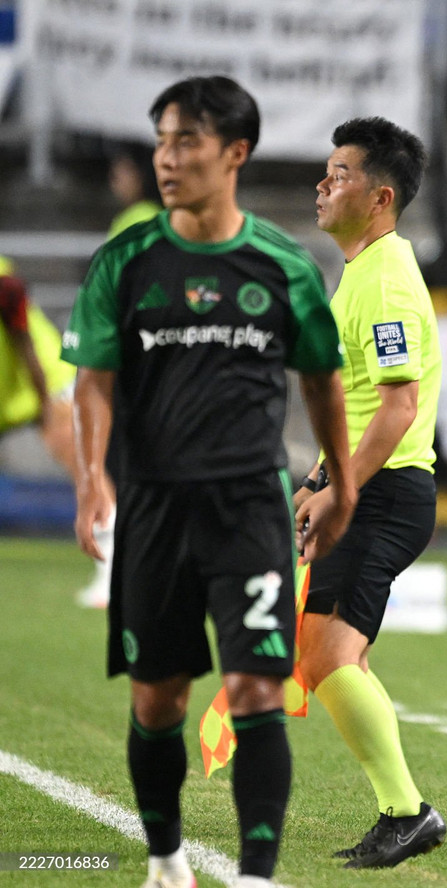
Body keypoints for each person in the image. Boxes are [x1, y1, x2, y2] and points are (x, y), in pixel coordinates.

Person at [61, 75, 357, 888]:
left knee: (257, 684)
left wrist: (341, 481)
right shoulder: (124, 261)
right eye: (161, 140)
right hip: (154, 506)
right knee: (157, 700)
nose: (167, 158)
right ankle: (166, 860)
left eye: (186, 141)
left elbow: (321, 379)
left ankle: (257, 876)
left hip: (248, 506)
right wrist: (92, 479)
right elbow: (92, 379)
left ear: (235, 153)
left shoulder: (282, 265)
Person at [294, 116, 447, 868]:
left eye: (342, 173)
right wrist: (323, 476)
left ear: (381, 196)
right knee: (323, 653)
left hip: (385, 494)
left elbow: (397, 405)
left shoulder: (385, 279)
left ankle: (407, 811)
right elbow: (358, 402)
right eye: (327, 171)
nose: (324, 183)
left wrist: (342, 490)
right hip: (368, 487)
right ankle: (402, 809)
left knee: (325, 655)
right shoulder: (364, 269)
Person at [0, 256, 114, 605]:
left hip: (45, 381)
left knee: (85, 473)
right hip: (9, 392)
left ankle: (112, 571)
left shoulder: (4, 285)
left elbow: (24, 340)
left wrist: (45, 400)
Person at [107, 141, 164, 239]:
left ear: (142, 175)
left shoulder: (142, 219)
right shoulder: (155, 215)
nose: (115, 177)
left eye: (125, 170)